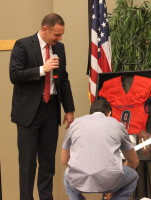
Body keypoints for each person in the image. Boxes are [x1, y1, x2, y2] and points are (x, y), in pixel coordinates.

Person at [9, 13, 75, 200]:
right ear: (45, 29)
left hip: (50, 111)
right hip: (28, 113)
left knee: (47, 164)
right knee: (28, 164)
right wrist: (42, 70)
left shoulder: (59, 48)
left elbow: (64, 80)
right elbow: (14, 75)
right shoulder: (23, 45)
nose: (59, 39)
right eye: (56, 35)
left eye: (61, 35)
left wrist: (69, 109)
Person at [61, 99, 139, 200]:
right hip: (110, 180)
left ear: (90, 114)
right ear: (109, 113)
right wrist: (116, 174)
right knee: (133, 175)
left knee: (67, 176)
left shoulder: (75, 124)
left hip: (78, 181)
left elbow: (64, 160)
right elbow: (134, 161)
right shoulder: (117, 125)